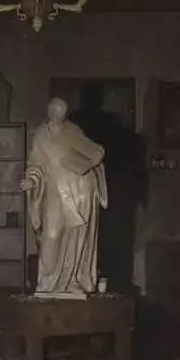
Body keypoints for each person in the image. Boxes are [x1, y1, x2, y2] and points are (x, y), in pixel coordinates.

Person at [20, 97, 108, 296]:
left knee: (76, 237)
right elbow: (35, 164)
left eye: (61, 112)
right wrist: (31, 180)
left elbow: (95, 150)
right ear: (48, 111)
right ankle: (47, 281)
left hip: (79, 192)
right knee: (51, 235)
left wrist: (90, 161)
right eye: (54, 110)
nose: (57, 115)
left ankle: (73, 280)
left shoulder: (73, 131)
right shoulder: (41, 136)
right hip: (54, 192)